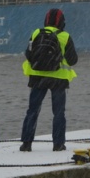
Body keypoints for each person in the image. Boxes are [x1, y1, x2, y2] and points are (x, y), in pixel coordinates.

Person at [20, 8, 78, 152]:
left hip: (38, 77)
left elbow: (28, 54)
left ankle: (26, 144)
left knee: (32, 110)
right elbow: (72, 60)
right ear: (62, 22)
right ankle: (58, 144)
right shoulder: (65, 36)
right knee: (58, 113)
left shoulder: (36, 33)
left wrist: (42, 62)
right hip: (58, 79)